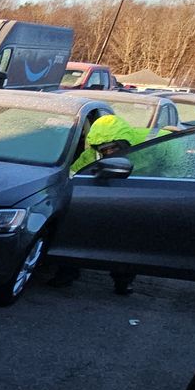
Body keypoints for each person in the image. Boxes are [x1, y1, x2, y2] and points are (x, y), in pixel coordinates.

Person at [53, 113, 152, 292]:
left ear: (123, 142)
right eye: (104, 150)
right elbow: (74, 174)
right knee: (78, 236)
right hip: (102, 198)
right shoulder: (91, 154)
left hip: (137, 200)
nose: (108, 153)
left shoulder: (151, 145)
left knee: (126, 244)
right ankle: (67, 273)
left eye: (113, 148)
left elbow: (175, 168)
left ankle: (123, 282)